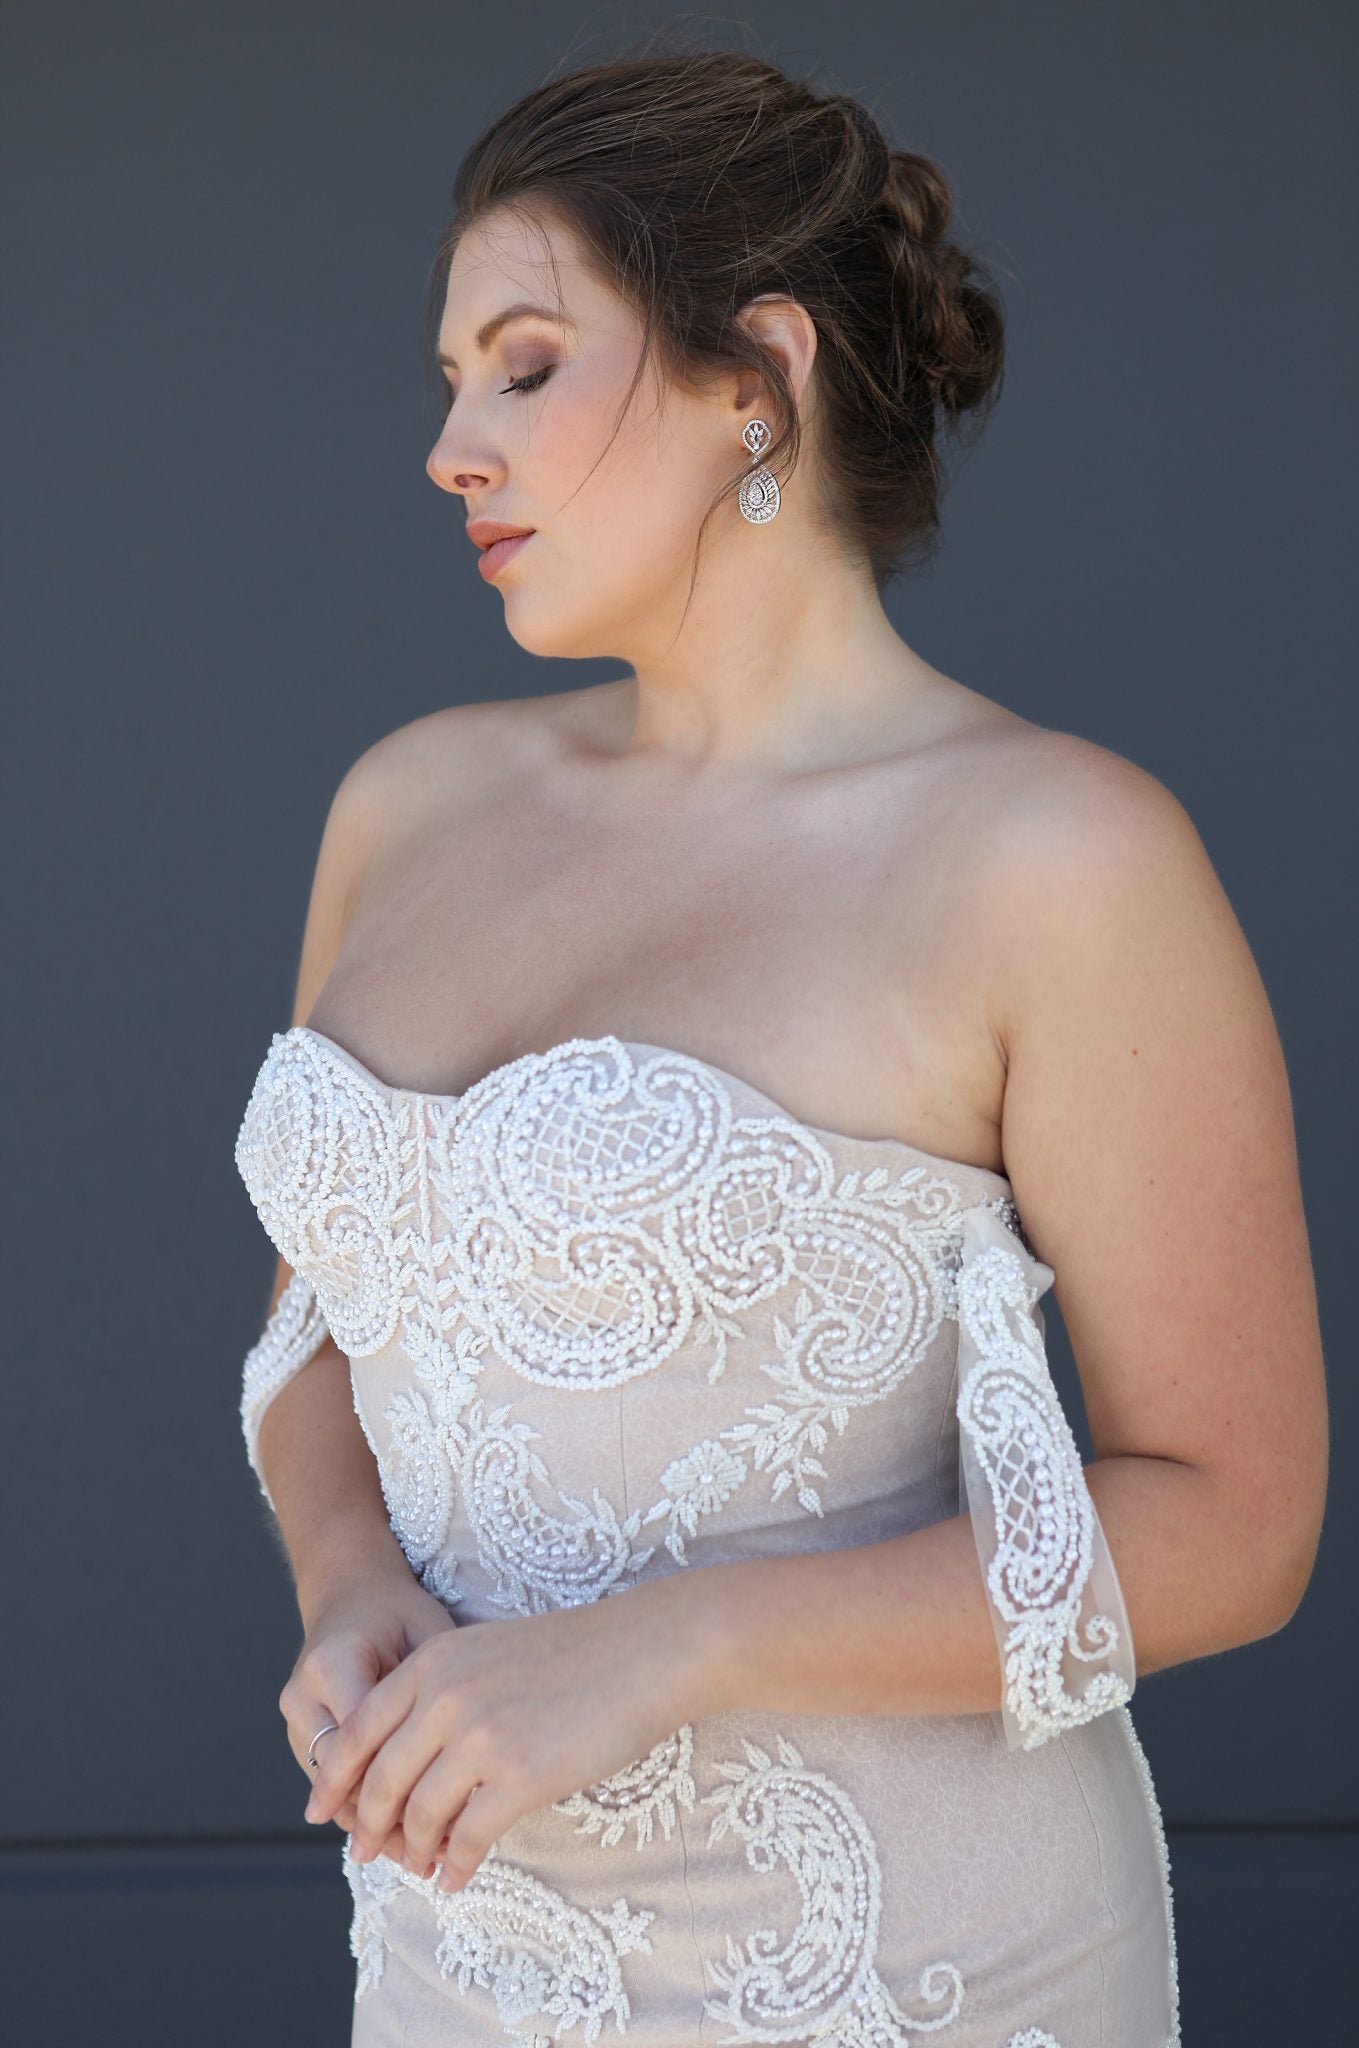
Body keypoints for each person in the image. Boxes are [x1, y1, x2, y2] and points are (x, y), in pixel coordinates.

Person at [232, 42, 1328, 2048]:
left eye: (524, 367)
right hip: (461, 1954)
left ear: (758, 375)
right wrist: (344, 1573)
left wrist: (673, 1644)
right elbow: (318, 1325)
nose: (450, 447)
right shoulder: (404, 805)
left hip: (905, 1969)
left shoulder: (1054, 857)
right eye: (448, 380)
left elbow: (1235, 1521)